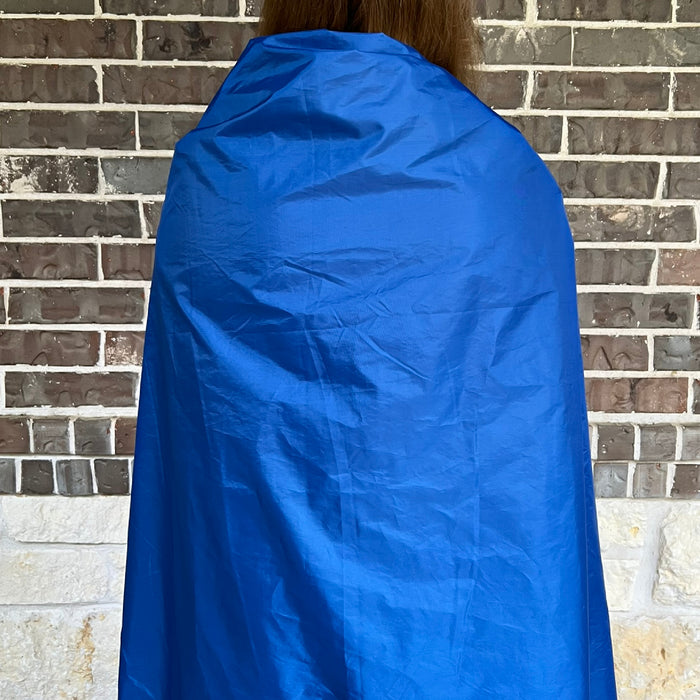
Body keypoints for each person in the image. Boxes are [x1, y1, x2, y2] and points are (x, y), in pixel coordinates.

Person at [117, 1, 619, 697]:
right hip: (448, 605)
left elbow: (199, 437)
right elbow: (523, 450)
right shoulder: (498, 177)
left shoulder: (214, 174)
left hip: (256, 599)